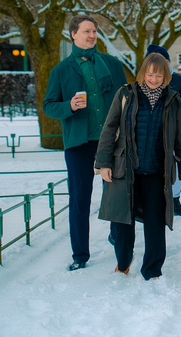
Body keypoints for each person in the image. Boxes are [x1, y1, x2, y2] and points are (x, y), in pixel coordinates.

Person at [94, 53, 181, 279]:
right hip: (125, 169)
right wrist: (104, 163)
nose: (154, 79)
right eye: (150, 74)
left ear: (165, 76)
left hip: (157, 173)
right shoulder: (126, 94)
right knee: (122, 220)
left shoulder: (173, 100)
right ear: (143, 73)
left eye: (159, 75)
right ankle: (123, 262)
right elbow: (109, 129)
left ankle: (152, 269)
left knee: (155, 223)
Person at [43, 15, 127, 271]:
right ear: (73, 34)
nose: (92, 35)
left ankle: (117, 236)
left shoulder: (112, 64)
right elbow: (49, 106)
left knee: (116, 195)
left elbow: (126, 97)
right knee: (80, 199)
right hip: (79, 145)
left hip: (111, 142)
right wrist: (68, 106)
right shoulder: (60, 70)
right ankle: (80, 255)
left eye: (94, 31)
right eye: (87, 31)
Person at [146, 44, 181, 217]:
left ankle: (175, 199)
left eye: (164, 61)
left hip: (172, 128)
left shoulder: (177, 79)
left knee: (173, 164)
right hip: (150, 129)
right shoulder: (146, 79)